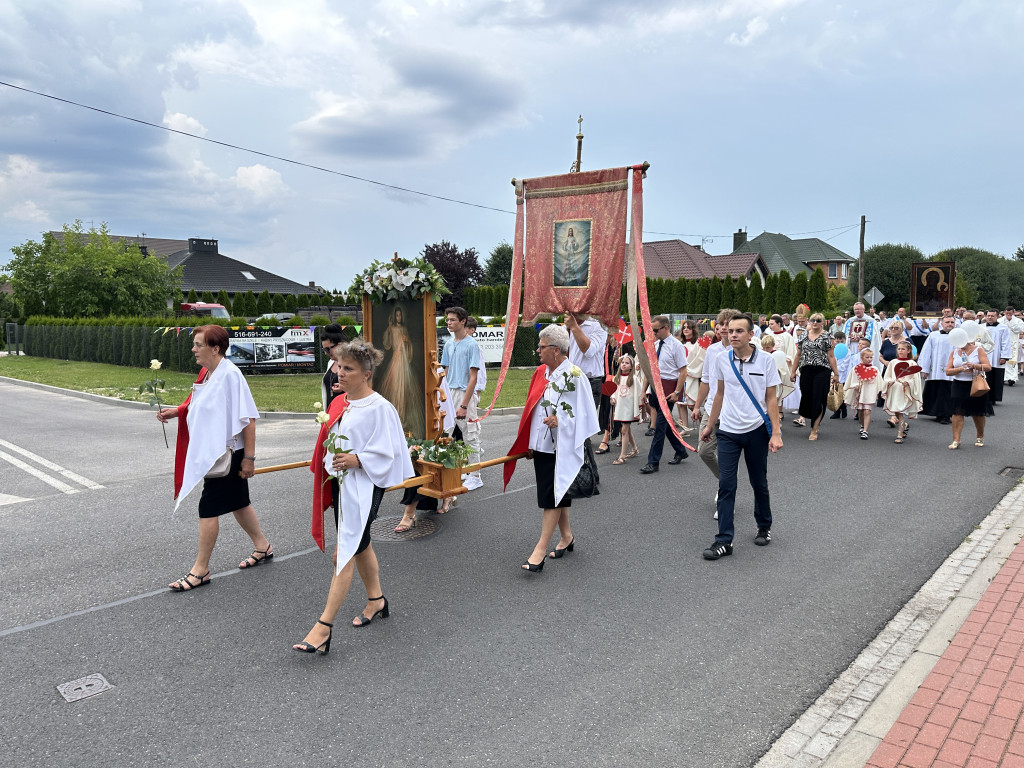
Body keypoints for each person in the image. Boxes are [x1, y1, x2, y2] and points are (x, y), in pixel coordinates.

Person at [295, 341, 414, 654]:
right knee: (360, 545)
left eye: (347, 368)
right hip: (340, 484)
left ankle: (323, 627)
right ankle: (377, 600)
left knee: (345, 550)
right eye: (338, 366)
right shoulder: (339, 403)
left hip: (365, 486)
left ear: (366, 373)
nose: (340, 372)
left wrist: (358, 459)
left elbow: (389, 452)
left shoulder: (381, 408)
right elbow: (330, 443)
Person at [157, 325, 272, 592]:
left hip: (228, 454)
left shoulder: (231, 375)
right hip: (215, 452)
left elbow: (248, 419)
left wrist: (250, 459)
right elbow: (203, 406)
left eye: (199, 345)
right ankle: (263, 547)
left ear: (216, 348)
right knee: (239, 502)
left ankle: (201, 570)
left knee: (208, 507)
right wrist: (179, 411)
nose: (193, 349)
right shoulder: (208, 373)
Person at [503, 325, 600, 572]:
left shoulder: (575, 375)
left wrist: (562, 421)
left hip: (563, 446)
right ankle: (566, 536)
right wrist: (530, 442)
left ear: (556, 350)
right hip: (543, 446)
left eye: (542, 347)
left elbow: (588, 417)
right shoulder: (541, 373)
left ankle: (540, 550)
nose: (537, 351)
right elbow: (533, 409)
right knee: (558, 492)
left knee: (551, 496)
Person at [701, 314, 783, 561]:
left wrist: (776, 433)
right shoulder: (721, 359)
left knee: (758, 482)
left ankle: (764, 526)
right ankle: (724, 540)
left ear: (750, 335)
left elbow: (771, 399)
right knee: (726, 484)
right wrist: (710, 425)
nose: (732, 334)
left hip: (756, 430)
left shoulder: (766, 361)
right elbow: (719, 394)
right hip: (727, 431)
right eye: (730, 331)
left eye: (738, 331)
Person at [692, 309, 741, 498]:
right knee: (704, 451)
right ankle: (726, 481)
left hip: (733, 410)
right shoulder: (712, 350)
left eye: (727, 325)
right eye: (719, 325)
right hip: (712, 407)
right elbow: (706, 379)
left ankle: (725, 492)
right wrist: (697, 405)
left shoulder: (744, 350)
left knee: (729, 455)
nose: (722, 328)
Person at [440, 307, 483, 490]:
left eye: (452, 320)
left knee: (470, 435)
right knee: (444, 434)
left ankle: (475, 475)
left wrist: (464, 405)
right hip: (449, 394)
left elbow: (473, 377)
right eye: (448, 320)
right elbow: (445, 371)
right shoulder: (448, 344)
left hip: (465, 394)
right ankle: (446, 472)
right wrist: (442, 396)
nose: (448, 323)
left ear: (463, 321)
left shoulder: (472, 345)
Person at [640, 315, 689, 474]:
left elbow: (683, 371)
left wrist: (676, 392)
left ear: (666, 328)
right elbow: (650, 370)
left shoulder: (676, 346)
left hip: (669, 389)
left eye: (655, 330)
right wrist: (644, 391)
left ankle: (653, 462)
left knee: (660, 425)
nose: (653, 333)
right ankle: (680, 450)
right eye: (651, 330)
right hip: (656, 386)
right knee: (665, 423)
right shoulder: (653, 345)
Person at [788, 312, 839, 440]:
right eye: (813, 320)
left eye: (818, 320)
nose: (815, 322)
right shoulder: (804, 335)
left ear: (823, 322)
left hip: (822, 370)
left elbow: (831, 356)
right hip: (806, 370)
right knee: (807, 396)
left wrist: (836, 373)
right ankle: (811, 418)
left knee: (818, 397)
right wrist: (793, 371)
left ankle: (814, 429)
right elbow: (798, 355)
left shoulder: (827, 336)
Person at [378, 306, 425, 438]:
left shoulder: (404, 329)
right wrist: (388, 327)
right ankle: (396, 414)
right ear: (394, 316)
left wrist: (408, 341)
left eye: (400, 316)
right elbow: (387, 344)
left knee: (404, 387)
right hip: (396, 358)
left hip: (404, 360)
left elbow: (409, 345)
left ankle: (403, 416)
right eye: (397, 315)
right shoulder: (391, 329)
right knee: (394, 386)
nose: (398, 318)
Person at [564, 313, 608, 451]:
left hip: (590, 382)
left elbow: (588, 351)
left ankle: (587, 465)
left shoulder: (597, 327)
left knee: (582, 425)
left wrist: (574, 327)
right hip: (572, 380)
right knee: (571, 423)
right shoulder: (567, 328)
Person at [945, 333, 992, 449]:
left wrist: (974, 366)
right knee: (957, 412)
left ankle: (980, 436)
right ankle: (956, 440)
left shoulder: (978, 350)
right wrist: (960, 369)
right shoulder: (954, 352)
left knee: (978, 412)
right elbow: (948, 371)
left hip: (975, 383)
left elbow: (988, 367)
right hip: (959, 384)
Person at [881, 340, 923, 444]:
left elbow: (915, 379)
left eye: (903, 349)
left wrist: (908, 383)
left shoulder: (912, 363)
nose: (900, 351)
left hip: (905, 391)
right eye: (899, 349)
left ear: (908, 350)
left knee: (900, 412)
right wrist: (889, 382)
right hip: (895, 390)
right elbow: (888, 376)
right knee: (896, 411)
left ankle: (899, 434)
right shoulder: (893, 362)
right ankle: (904, 426)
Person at [918, 315, 957, 424]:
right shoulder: (933, 335)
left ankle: (946, 414)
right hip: (935, 368)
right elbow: (926, 352)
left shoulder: (959, 336)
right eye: (947, 322)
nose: (950, 324)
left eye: (952, 322)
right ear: (942, 323)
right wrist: (924, 369)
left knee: (948, 392)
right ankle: (936, 412)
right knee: (937, 391)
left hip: (952, 370)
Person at [610, 354, 644, 464]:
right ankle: (634, 449)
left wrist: (640, 407)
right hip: (620, 407)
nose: (624, 364)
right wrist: (613, 398)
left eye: (627, 363)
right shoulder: (617, 378)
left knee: (624, 430)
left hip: (628, 408)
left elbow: (639, 393)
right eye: (623, 362)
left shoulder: (633, 378)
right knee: (627, 429)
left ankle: (622, 456)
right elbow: (613, 391)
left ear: (631, 366)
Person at [844, 347, 882, 439]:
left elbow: (879, 382)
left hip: (869, 393)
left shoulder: (875, 369)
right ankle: (862, 425)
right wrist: (855, 385)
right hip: (860, 393)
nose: (869, 359)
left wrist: (877, 393)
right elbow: (852, 380)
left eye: (871, 357)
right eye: (867, 357)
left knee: (867, 411)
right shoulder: (856, 369)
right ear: (862, 357)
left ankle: (865, 431)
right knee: (860, 411)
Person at [982, 310, 1012, 404]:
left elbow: (1006, 342)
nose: (990, 317)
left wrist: (1004, 356)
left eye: (992, 316)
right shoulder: (981, 327)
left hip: (997, 355)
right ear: (986, 316)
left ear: (997, 317)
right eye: (988, 315)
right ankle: (983, 396)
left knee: (996, 377)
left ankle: (993, 398)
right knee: (984, 376)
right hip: (984, 354)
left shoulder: (1003, 328)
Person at [320, 323, 346, 407]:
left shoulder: (354, 363)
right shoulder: (330, 362)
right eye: (324, 349)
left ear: (339, 345)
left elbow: (363, 387)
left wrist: (346, 388)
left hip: (347, 412)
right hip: (331, 413)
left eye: (327, 349)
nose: (325, 353)